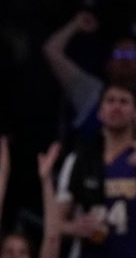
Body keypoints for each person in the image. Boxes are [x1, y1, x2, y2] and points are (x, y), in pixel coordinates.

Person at [56, 83, 136, 258]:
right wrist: (75, 228)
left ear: (134, 113)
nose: (116, 106)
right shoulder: (78, 160)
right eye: (110, 101)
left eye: (124, 102)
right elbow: (56, 222)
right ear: (99, 112)